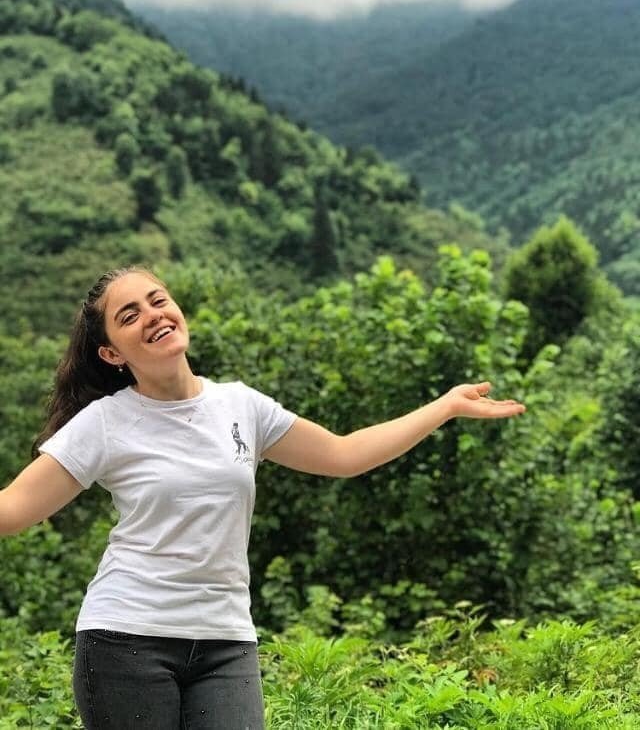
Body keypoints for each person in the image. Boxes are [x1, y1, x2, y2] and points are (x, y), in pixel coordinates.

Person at [0, 266, 526, 729]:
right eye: (130, 315)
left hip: (225, 638)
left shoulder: (240, 406)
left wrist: (444, 407)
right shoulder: (105, 423)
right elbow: (13, 511)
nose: (153, 315)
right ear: (112, 352)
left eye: (158, 300)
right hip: (126, 638)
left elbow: (344, 454)